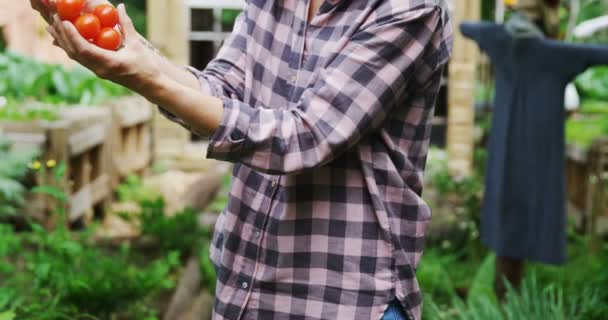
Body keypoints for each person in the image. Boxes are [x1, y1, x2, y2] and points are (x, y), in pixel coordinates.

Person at [31, 0, 452, 319]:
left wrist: (147, 79)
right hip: (248, 287)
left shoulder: (408, 9)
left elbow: (305, 137)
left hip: (344, 297)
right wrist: (138, 55)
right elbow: (221, 92)